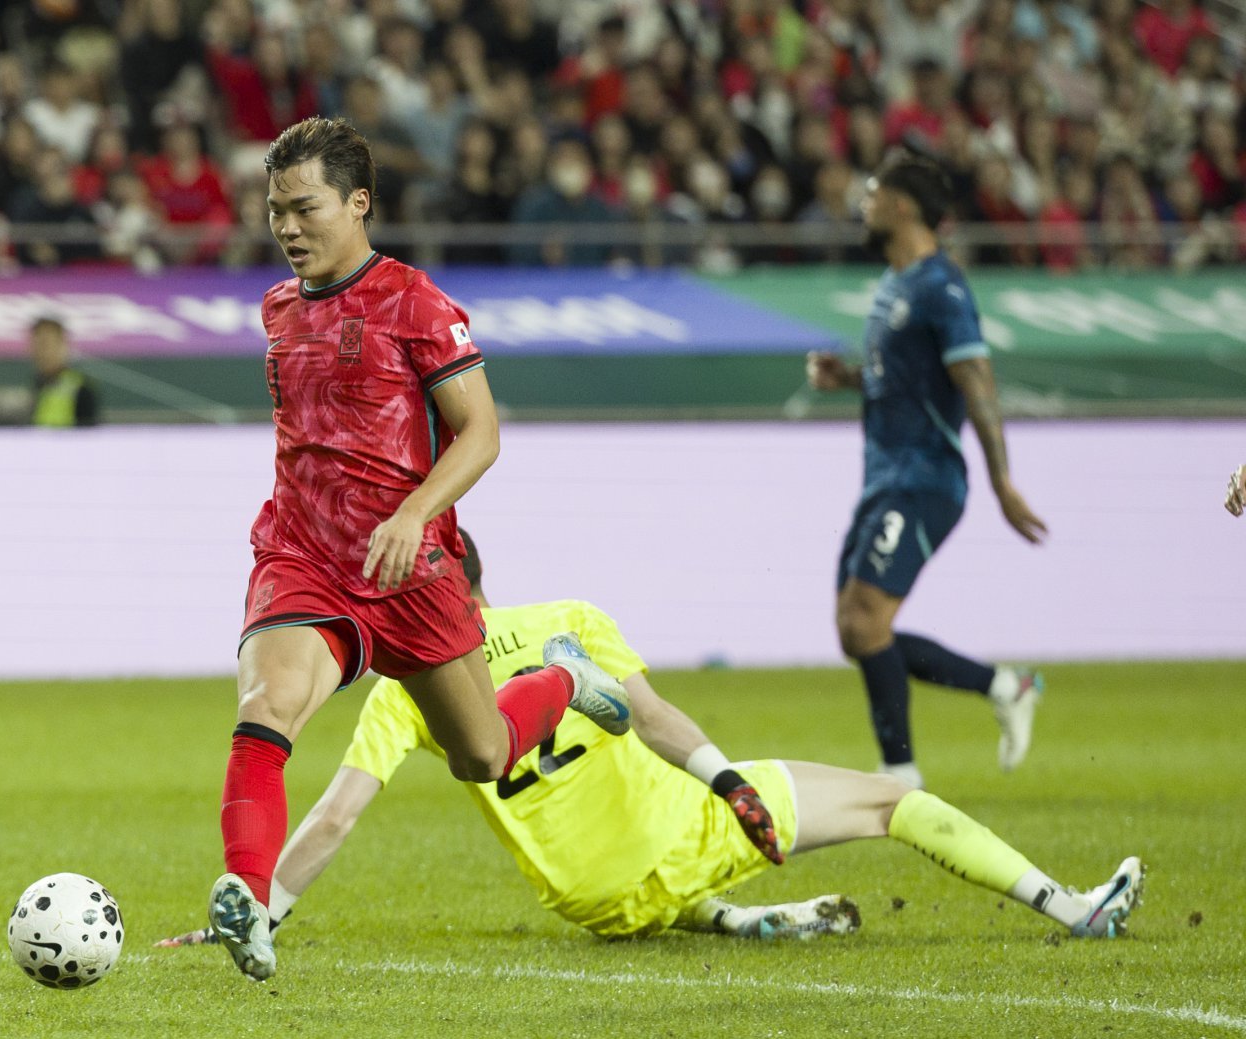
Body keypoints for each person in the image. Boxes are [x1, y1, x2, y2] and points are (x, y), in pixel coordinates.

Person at [163, 533, 1145, 949]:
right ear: (477, 576)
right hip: (681, 834)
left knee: (654, 881)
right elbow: (661, 720)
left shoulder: (406, 686)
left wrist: (259, 911)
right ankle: (1073, 908)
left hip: (589, 899)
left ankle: (739, 920)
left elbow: (335, 817)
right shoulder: (569, 617)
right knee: (892, 801)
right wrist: (727, 781)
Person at [210, 117, 634, 982]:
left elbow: (481, 432)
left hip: (409, 565)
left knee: (482, 755)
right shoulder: (278, 307)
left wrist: (412, 515)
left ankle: (562, 678)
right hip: (302, 552)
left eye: (304, 207)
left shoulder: (416, 303)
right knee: (267, 702)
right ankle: (247, 899)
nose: (286, 227)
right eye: (275, 210)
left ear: (358, 202)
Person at [805, 154, 1049, 791]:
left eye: (873, 193)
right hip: (885, 477)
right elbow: (904, 378)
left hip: (926, 479)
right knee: (855, 630)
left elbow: (976, 380)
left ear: (904, 205)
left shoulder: (942, 287)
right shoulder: (895, 284)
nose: (864, 204)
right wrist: (850, 377)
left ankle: (900, 773)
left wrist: (1002, 481)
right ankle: (1005, 687)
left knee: (865, 620)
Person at [29, 316, 99, 427]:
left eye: (46, 344)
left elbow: (89, 433)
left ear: (63, 345)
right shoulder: (36, 385)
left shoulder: (81, 389)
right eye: (36, 345)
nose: (41, 352)